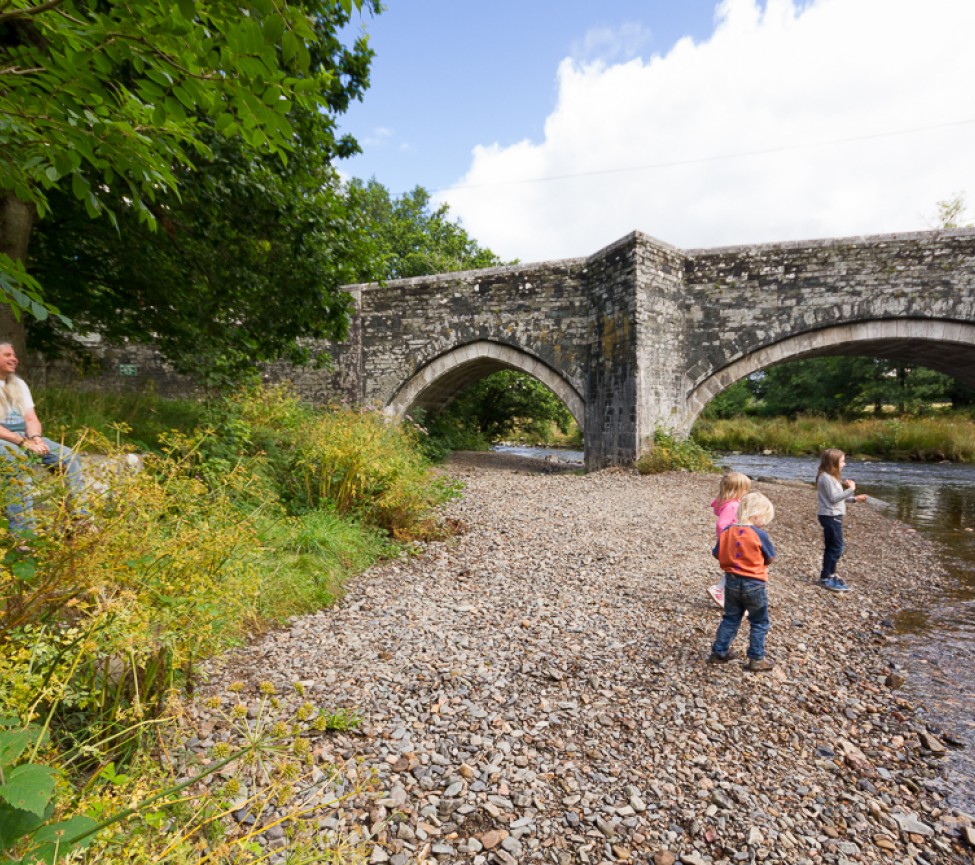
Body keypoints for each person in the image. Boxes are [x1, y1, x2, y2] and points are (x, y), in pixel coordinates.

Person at [0, 342, 89, 537]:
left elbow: (31, 419)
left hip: (24, 437)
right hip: (3, 439)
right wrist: (22, 442)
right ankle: (23, 534)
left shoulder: (18, 384)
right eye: (7, 355)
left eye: (14, 355)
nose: (14, 358)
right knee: (16, 460)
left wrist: (36, 439)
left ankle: (78, 520)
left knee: (69, 457)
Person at [707, 491, 776, 672]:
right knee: (759, 621)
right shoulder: (759, 534)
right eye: (763, 519)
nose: (763, 524)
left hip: (731, 581)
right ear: (756, 515)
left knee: (730, 618)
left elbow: (716, 553)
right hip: (754, 583)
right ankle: (756, 658)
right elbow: (769, 557)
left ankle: (719, 652)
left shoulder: (727, 532)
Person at [816, 448, 867, 593]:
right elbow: (834, 499)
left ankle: (829, 574)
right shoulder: (826, 478)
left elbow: (837, 498)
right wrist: (851, 489)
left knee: (832, 547)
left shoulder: (828, 477)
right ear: (833, 463)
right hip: (831, 516)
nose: (844, 464)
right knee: (837, 547)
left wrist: (854, 499)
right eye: (842, 461)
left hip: (831, 515)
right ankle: (827, 577)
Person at [707, 471, 751, 607]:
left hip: (728, 542)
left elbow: (716, 508)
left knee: (737, 567)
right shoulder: (733, 506)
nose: (746, 492)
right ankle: (719, 590)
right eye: (745, 489)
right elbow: (721, 524)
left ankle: (727, 593)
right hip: (731, 543)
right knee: (738, 567)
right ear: (736, 490)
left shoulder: (725, 502)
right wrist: (729, 537)